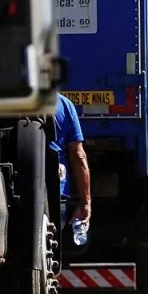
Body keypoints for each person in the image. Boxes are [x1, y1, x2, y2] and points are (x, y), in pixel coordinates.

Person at [53, 93, 90, 230]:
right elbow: (78, 156)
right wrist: (85, 202)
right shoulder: (64, 104)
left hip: (13, 191)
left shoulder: (7, 99)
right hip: (56, 191)